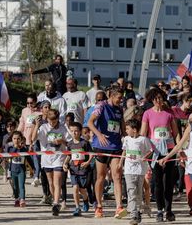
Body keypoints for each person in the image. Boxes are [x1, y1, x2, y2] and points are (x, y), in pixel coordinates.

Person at [88, 85, 127, 219]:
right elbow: (90, 122)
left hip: (116, 146)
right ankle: (98, 206)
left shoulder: (120, 109)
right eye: (119, 98)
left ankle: (119, 206)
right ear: (112, 95)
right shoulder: (101, 106)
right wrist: (99, 135)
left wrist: (126, 138)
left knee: (117, 175)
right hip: (101, 146)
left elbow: (122, 127)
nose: (120, 100)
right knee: (100, 176)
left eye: (122, 98)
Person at [140, 88, 179, 222]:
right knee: (157, 182)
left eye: (161, 98)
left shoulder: (169, 113)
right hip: (154, 151)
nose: (158, 101)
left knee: (168, 181)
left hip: (169, 150)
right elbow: (143, 133)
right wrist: (143, 150)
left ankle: (168, 210)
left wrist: (179, 148)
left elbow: (175, 133)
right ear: (152, 99)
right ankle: (159, 210)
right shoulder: (147, 114)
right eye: (156, 98)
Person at [32, 109, 71, 216]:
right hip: (46, 159)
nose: (52, 123)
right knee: (50, 182)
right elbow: (33, 138)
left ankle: (56, 203)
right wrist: (36, 125)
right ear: (47, 119)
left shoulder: (63, 128)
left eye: (54, 121)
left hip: (59, 157)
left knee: (57, 181)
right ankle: (55, 200)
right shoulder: (44, 127)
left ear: (58, 119)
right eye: (50, 121)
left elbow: (69, 143)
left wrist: (61, 141)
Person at [118, 119, 152, 225]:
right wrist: (120, 163)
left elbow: (150, 150)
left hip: (140, 170)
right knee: (131, 191)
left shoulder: (143, 139)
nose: (126, 130)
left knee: (138, 192)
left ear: (134, 130)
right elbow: (124, 151)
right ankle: (134, 214)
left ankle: (138, 210)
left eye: (128, 129)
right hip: (128, 170)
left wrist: (144, 157)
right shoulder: (126, 139)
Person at [63, 122, 92, 216]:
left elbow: (92, 154)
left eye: (76, 131)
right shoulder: (70, 144)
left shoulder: (85, 143)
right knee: (75, 187)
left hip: (83, 169)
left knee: (82, 190)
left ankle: (85, 200)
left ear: (80, 132)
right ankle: (77, 207)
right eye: (71, 131)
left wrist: (87, 162)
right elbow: (69, 156)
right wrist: (65, 163)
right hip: (73, 169)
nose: (74, 133)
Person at [7, 131, 34, 207]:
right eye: (14, 138)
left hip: (21, 170)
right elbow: (10, 155)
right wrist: (15, 147)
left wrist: (33, 167)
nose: (16, 140)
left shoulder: (24, 149)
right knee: (15, 187)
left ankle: (22, 200)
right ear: (12, 139)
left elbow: (29, 158)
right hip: (13, 170)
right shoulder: (10, 148)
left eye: (18, 139)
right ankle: (16, 199)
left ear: (21, 139)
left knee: (21, 185)